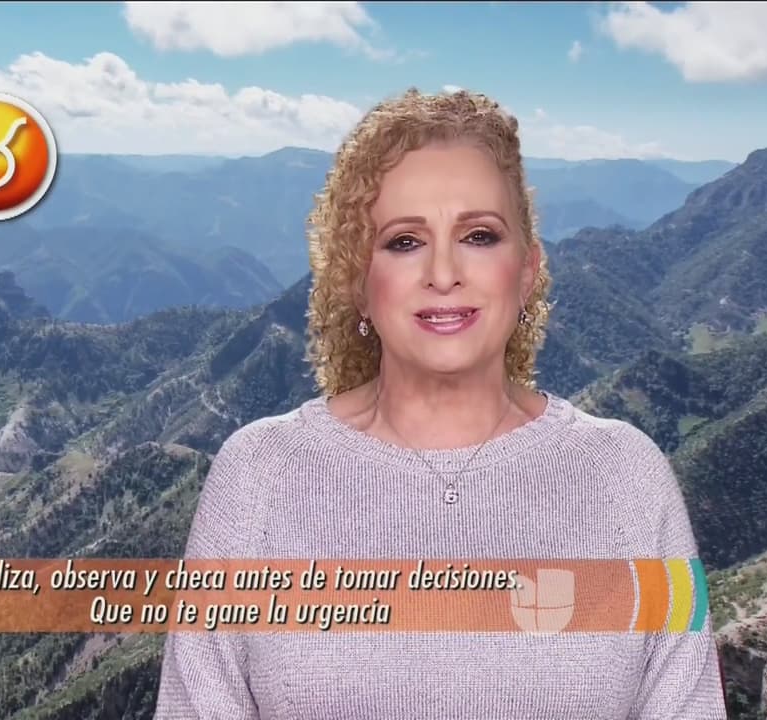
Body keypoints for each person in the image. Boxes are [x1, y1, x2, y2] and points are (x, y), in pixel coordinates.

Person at [153, 88, 727, 719]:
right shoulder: (258, 475)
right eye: (405, 241)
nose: (445, 272)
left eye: (479, 235)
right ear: (357, 282)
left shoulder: (629, 475)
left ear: (527, 270)